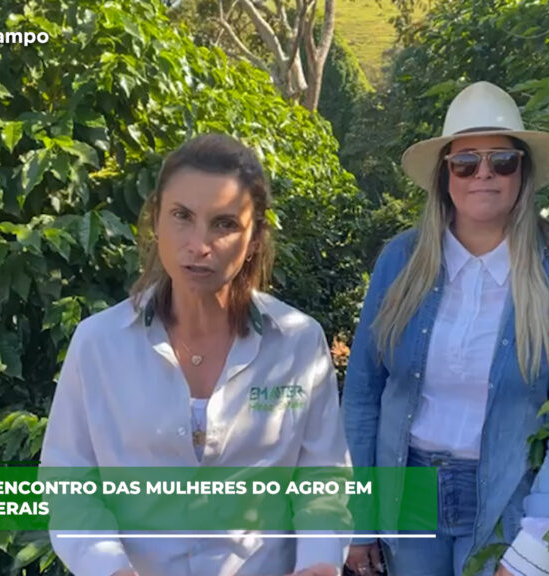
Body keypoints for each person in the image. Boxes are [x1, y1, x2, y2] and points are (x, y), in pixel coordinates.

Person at [40, 134, 350, 576]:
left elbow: (322, 476)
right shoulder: (99, 344)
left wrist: (318, 563)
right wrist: (109, 567)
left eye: (224, 224)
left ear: (256, 237)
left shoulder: (298, 343)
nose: (199, 244)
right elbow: (68, 480)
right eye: (182, 216)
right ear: (156, 220)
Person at [341, 81, 549, 576]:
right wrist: (360, 519)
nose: (484, 173)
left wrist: (536, 548)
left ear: (522, 171)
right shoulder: (401, 260)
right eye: (465, 162)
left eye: (501, 160)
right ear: (445, 175)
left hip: (507, 496)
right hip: (407, 491)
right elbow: (361, 395)